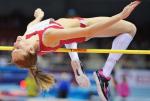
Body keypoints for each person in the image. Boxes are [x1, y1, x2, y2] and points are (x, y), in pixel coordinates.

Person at [11, 1, 141, 100]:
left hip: (68, 31)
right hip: (85, 26)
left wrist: (39, 15)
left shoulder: (27, 36)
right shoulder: (48, 36)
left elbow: (32, 25)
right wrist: (120, 15)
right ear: (30, 49)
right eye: (18, 47)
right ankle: (104, 75)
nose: (15, 41)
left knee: (66, 36)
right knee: (131, 29)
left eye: (13, 47)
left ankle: (76, 62)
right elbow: (88, 31)